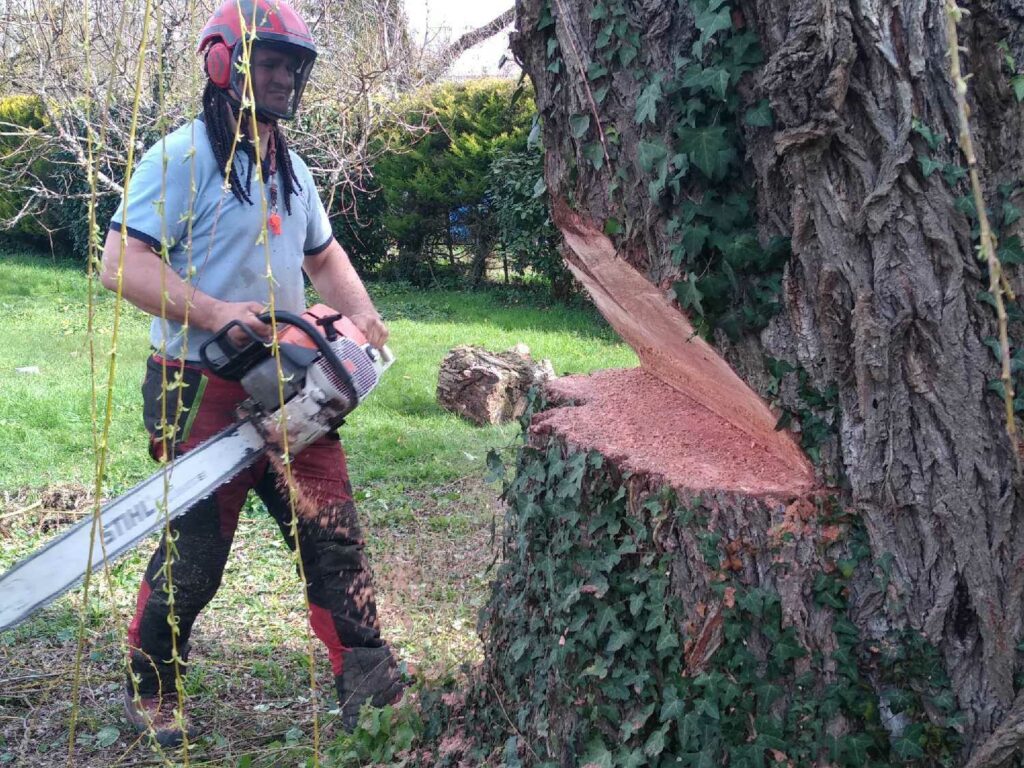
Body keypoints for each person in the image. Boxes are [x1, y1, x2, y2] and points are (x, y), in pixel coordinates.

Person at [100, 0, 404, 746]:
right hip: (196, 381)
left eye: (292, 67)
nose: (283, 79)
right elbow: (120, 263)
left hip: (290, 381)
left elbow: (323, 255)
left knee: (332, 536)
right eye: (269, 62)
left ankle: (374, 692)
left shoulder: (290, 167)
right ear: (223, 63)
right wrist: (210, 311)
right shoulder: (180, 158)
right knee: (198, 550)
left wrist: (362, 321)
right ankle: (152, 687)